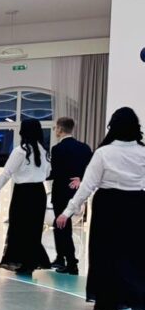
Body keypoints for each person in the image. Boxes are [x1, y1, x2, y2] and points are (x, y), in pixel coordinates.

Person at [57, 107, 145, 310]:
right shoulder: (142, 151)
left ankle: (108, 299)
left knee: (106, 253)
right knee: (133, 252)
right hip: (136, 205)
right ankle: (134, 296)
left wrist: (67, 211)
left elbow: (87, 185)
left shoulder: (104, 152)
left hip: (108, 205)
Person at [0, 118, 51, 275]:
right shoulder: (44, 151)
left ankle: (21, 261)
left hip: (23, 193)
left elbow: (6, 173)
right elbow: (47, 173)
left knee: (19, 227)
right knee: (34, 229)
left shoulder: (20, 151)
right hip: (39, 193)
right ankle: (30, 262)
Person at [48, 117, 93, 275]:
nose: (55, 130)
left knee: (62, 226)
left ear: (60, 129)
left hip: (61, 191)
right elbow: (92, 168)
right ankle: (61, 258)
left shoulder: (57, 149)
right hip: (77, 192)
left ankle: (71, 262)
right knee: (62, 226)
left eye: (55, 128)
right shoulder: (84, 148)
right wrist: (81, 178)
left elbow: (55, 172)